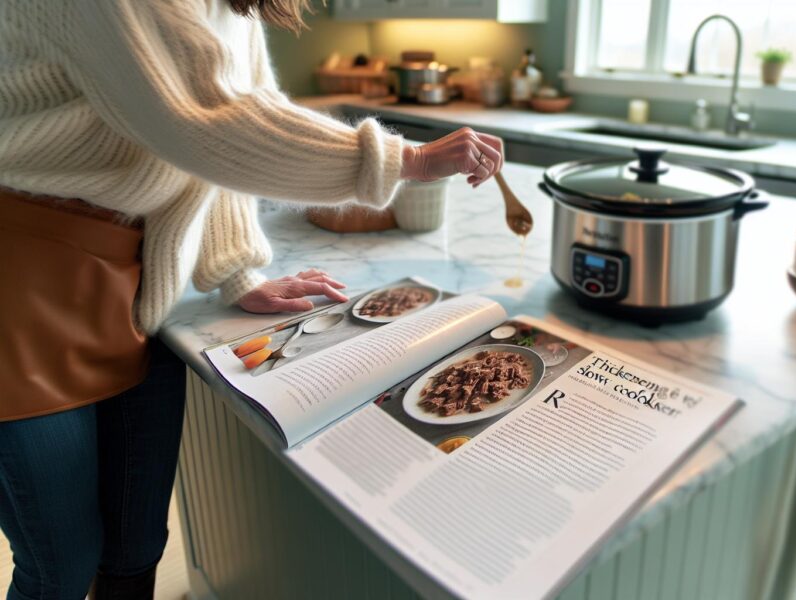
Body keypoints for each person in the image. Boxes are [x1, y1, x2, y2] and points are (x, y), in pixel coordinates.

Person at [0, 0, 504, 598]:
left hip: (141, 286)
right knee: (59, 569)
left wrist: (237, 270)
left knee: (136, 546)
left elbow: (241, 112)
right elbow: (208, 123)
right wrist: (407, 160)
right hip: (23, 282)